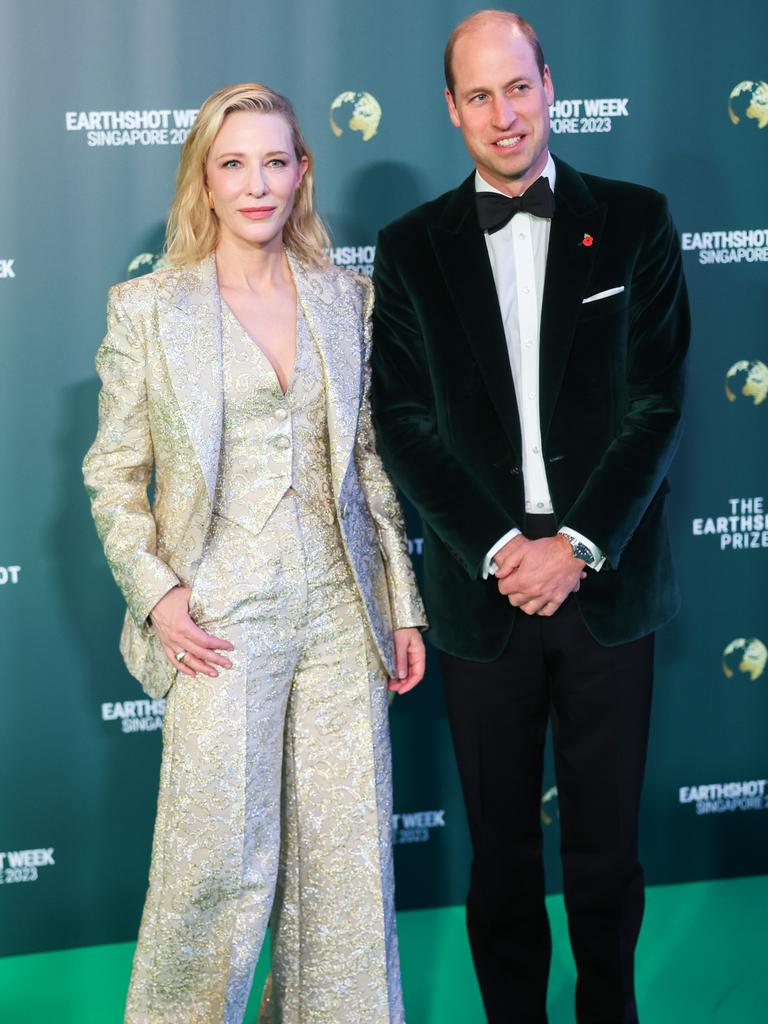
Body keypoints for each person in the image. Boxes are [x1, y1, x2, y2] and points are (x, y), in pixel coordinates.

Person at [83, 82, 426, 1024]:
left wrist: (402, 602)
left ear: (303, 171)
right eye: (234, 163)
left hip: (339, 610)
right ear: (205, 176)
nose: (257, 183)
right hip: (218, 614)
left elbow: (370, 467)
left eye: (276, 160)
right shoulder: (150, 308)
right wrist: (157, 595)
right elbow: (114, 475)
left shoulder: (346, 299)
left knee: (346, 867)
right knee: (215, 867)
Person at [370, 11, 689, 1023]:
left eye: (517, 88)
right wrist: (509, 549)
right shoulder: (411, 247)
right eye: (478, 95)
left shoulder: (635, 220)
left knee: (606, 851)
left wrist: (578, 546)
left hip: (608, 584)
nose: (502, 115)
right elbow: (405, 423)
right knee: (499, 855)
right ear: (451, 109)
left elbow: (657, 406)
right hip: (483, 592)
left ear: (549, 85)